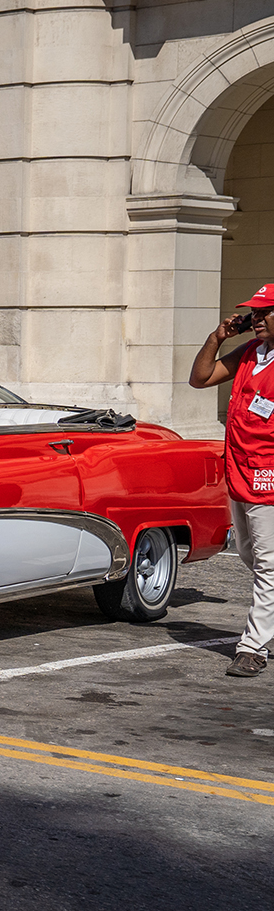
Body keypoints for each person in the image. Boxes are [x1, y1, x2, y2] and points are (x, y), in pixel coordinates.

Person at [189, 285, 274, 678]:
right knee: (248, 556)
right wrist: (216, 338)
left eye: (265, 313)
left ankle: (253, 647)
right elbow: (201, 378)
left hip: (268, 477)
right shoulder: (248, 355)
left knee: (268, 567)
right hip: (240, 472)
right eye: (253, 313)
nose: (256, 319)